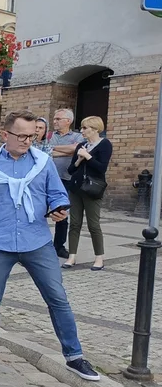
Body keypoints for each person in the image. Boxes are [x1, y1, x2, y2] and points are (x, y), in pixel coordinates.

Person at [0, 110, 100, 382]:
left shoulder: (43, 162)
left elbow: (57, 194)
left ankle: (75, 356)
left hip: (37, 241)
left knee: (57, 298)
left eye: (33, 135)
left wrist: (59, 208)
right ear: (6, 134)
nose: (28, 140)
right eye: (22, 135)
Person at [63, 116, 113, 271]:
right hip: (76, 188)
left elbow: (101, 168)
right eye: (82, 128)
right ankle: (72, 256)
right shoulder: (81, 145)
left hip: (92, 189)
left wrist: (88, 156)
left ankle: (99, 258)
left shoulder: (105, 144)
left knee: (93, 224)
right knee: (75, 224)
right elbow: (71, 170)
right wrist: (79, 159)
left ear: (95, 129)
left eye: (85, 128)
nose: (82, 131)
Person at [48, 109, 86, 258]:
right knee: (38, 212)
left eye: (58, 119)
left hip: (66, 179)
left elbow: (76, 150)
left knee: (62, 214)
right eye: (54, 118)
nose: (55, 121)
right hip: (48, 179)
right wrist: (69, 151)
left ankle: (58, 246)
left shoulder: (77, 136)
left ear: (68, 121)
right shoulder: (50, 135)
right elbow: (46, 152)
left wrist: (52, 149)